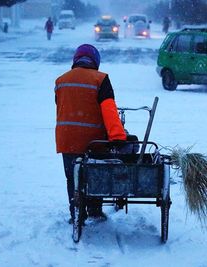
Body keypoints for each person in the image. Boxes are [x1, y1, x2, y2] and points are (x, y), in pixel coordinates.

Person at [55, 44, 126, 223]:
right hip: (93, 142)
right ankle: (94, 209)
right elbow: (109, 111)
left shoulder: (60, 81)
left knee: (73, 177)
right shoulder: (100, 79)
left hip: (67, 139)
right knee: (96, 174)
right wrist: (117, 137)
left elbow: (62, 106)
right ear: (95, 61)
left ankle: (76, 214)